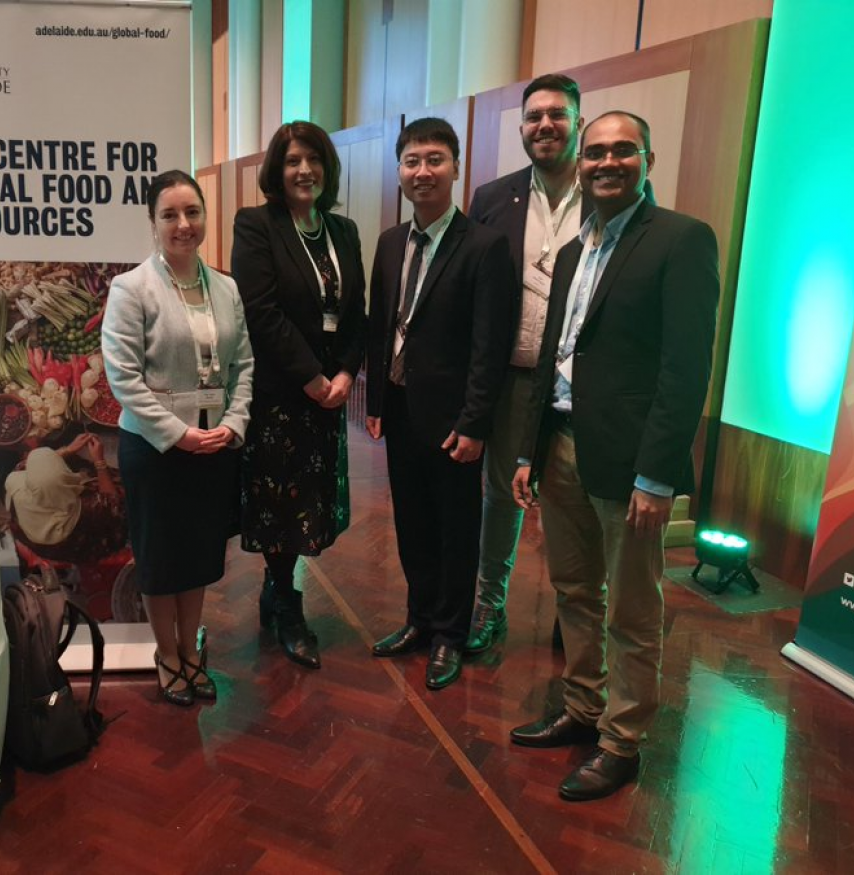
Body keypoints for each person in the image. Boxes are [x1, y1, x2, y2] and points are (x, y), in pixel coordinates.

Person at [509, 111, 719, 800]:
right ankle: (582, 707)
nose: (605, 161)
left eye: (621, 150)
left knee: (631, 608)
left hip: (631, 467)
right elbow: (554, 359)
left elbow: (685, 369)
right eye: (595, 151)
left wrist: (658, 475)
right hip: (562, 446)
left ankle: (622, 741)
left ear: (647, 157)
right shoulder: (574, 250)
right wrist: (528, 450)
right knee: (573, 591)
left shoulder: (681, 240)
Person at [365, 117, 518, 690]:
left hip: (455, 421)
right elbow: (382, 327)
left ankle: (451, 635)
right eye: (411, 160)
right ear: (399, 171)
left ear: (456, 167)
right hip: (402, 411)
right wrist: (375, 402)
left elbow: (489, 344)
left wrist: (476, 422)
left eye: (434, 159)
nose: (421, 171)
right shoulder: (388, 242)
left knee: (456, 529)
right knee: (412, 524)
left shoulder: (483, 244)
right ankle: (419, 620)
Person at [101, 169, 254, 707]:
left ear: (205, 219)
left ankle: (191, 650)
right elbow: (124, 379)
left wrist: (233, 424)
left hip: (214, 446)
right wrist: (178, 434)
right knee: (162, 558)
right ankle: (166, 656)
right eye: (170, 214)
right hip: (156, 449)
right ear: (153, 223)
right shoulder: (130, 289)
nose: (183, 224)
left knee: (198, 557)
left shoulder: (227, 287)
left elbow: (244, 366)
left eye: (192, 212)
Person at [231, 121, 367, 670]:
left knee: (309, 500)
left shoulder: (344, 230)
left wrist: (348, 374)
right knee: (279, 503)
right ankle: (286, 601)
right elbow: (260, 312)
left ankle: (275, 589)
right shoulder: (256, 225)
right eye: (292, 161)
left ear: (327, 167)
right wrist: (312, 376)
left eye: (313, 159)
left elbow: (356, 311)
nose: (303, 169)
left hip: (329, 393)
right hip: (281, 392)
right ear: (276, 171)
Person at [465, 73, 588, 654]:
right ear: (520, 128)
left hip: (576, 387)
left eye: (557, 115)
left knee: (572, 498)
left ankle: (576, 612)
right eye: (534, 116)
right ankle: (490, 604)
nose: (545, 125)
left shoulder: (608, 192)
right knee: (498, 496)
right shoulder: (492, 198)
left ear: (577, 122)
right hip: (511, 376)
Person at [4, 433, 127, 567]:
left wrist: (68, 450)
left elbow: (31, 466)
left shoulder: (15, 482)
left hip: (37, 538)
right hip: (82, 543)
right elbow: (113, 504)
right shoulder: (84, 511)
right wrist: (100, 462)